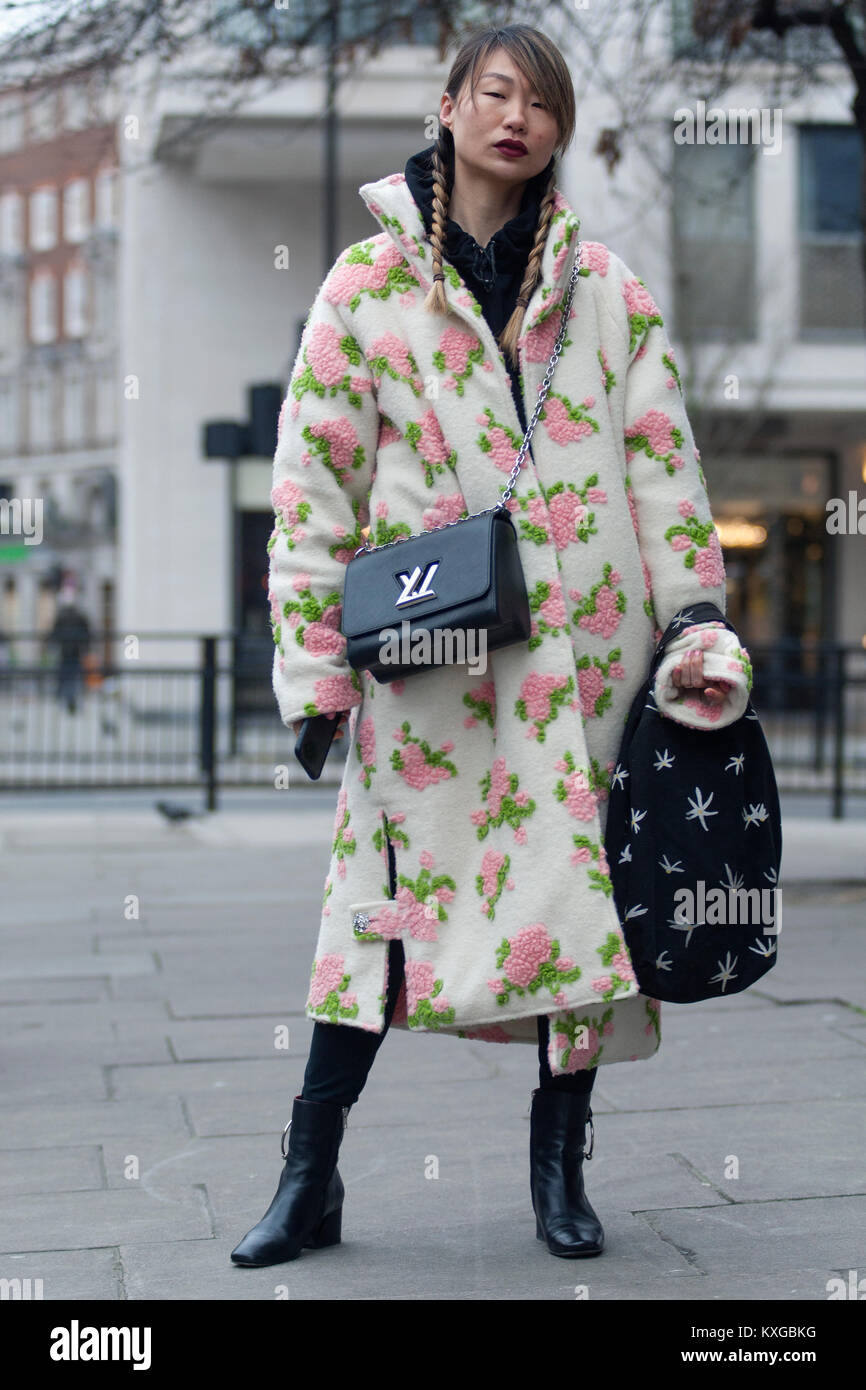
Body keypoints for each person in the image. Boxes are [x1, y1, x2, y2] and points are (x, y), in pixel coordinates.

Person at [231, 22, 751, 1268]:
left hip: (587, 660)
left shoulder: (608, 290)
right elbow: (314, 480)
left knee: (583, 921)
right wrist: (313, 673)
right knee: (372, 921)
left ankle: (558, 1174)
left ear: (558, 132)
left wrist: (691, 618)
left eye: (541, 103)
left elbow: (658, 463)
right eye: (495, 93)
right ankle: (309, 1176)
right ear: (450, 105)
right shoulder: (365, 287)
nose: (516, 118)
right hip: (431, 666)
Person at [49, 585, 91, 714]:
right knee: (74, 677)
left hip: (65, 651)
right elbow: (87, 634)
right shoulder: (80, 616)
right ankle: (71, 698)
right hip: (75, 652)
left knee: (64, 676)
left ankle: (63, 698)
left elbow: (54, 633)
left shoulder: (62, 617)